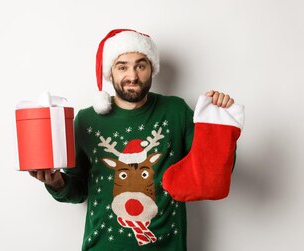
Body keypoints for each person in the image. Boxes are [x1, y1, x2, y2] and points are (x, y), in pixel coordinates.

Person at [28, 29, 236, 250]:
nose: (132, 75)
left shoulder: (176, 111)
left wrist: (218, 123)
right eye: (122, 66)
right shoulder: (87, 119)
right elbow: (78, 190)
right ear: (111, 72)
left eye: (140, 65)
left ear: (151, 68)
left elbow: (210, 172)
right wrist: (56, 182)